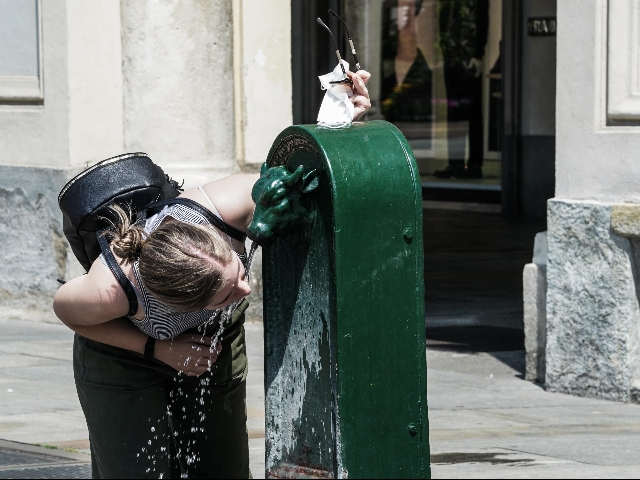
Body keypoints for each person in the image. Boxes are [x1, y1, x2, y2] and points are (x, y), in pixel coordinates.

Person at [53, 69, 371, 479]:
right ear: (182, 302)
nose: (247, 287)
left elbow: (304, 178)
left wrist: (342, 117)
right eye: (225, 295)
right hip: (124, 355)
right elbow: (68, 314)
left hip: (212, 345)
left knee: (223, 468)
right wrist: (157, 349)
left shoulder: (232, 206)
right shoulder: (110, 291)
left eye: (238, 270)